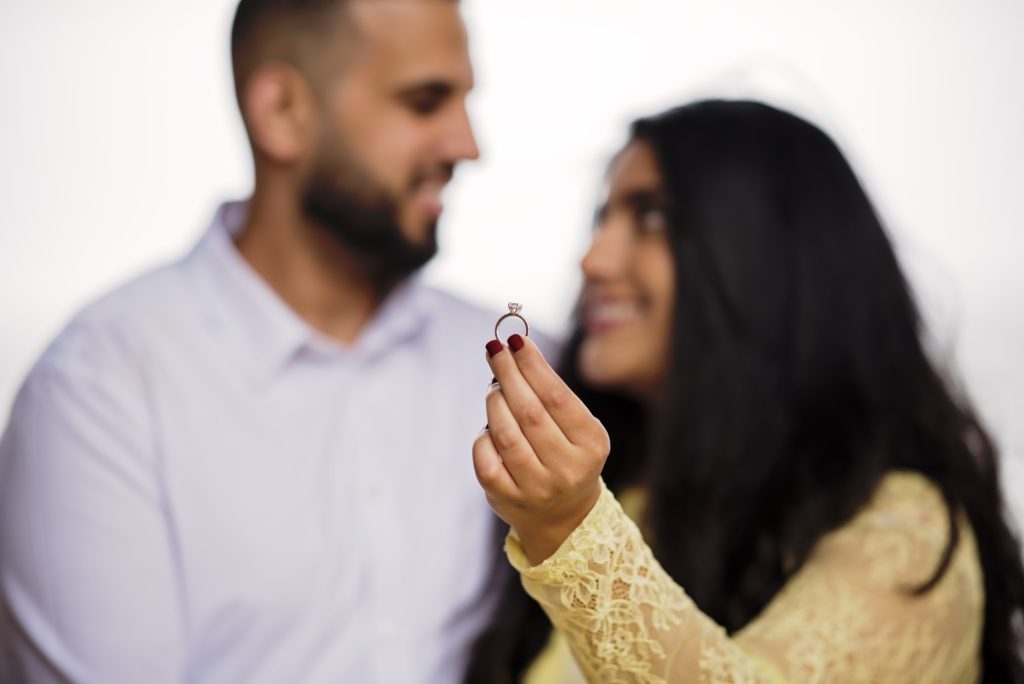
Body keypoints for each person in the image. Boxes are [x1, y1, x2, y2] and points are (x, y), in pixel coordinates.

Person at [0, 1, 524, 682]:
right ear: (281, 111)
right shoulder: (99, 391)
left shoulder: (511, 361)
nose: (467, 145)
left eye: (464, 100)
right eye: (425, 102)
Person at [465, 100, 1024, 683]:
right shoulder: (627, 498)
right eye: (602, 220)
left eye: (651, 217)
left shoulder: (907, 530)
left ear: (767, 259)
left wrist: (570, 532)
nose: (594, 259)